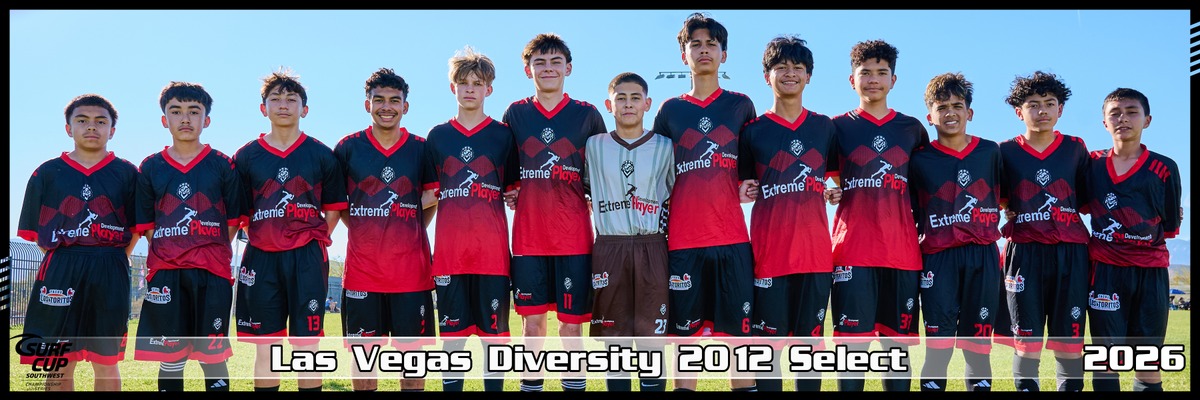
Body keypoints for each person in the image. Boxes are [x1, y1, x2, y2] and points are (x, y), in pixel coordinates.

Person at [651, 12, 758, 392]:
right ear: (684, 55)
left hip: (733, 240)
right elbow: (656, 174)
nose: (703, 50)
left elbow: (753, 169)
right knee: (685, 343)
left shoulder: (740, 106)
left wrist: (747, 186)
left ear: (723, 54)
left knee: (739, 342)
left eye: (711, 44)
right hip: (684, 242)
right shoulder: (670, 111)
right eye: (695, 44)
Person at [500, 33, 607, 393]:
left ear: (568, 68)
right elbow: (506, 170)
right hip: (529, 237)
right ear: (527, 70)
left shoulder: (587, 115)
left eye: (555, 62)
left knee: (571, 326)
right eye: (540, 63)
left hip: (574, 237)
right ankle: (531, 385)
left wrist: (593, 196)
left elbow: (601, 171)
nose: (548, 69)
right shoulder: (515, 114)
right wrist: (512, 190)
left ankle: (573, 385)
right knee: (532, 327)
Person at [232, 68, 347, 392]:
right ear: (263, 108)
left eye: (291, 99)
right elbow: (239, 212)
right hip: (261, 257)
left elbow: (334, 208)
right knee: (266, 346)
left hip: (307, 257)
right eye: (276, 98)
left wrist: (312, 236)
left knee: (307, 346)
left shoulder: (321, 154)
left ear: (304, 109)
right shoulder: (246, 156)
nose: (283, 104)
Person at [17, 94, 139, 391]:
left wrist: (112, 256)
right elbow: (36, 232)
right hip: (61, 267)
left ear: (112, 130)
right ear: (68, 128)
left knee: (106, 361)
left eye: (100, 121)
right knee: (58, 360)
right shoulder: (47, 173)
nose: (91, 127)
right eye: (82, 120)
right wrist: (66, 256)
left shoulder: (127, 173)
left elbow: (136, 228)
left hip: (110, 266)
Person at [736, 35, 837, 392]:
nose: (790, 73)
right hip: (769, 256)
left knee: (809, 353)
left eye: (797, 67)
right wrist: (744, 190)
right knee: (768, 352)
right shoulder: (753, 131)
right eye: (781, 67)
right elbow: (741, 185)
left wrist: (835, 190)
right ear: (767, 76)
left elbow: (841, 178)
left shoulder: (825, 127)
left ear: (809, 76)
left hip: (815, 257)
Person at [826, 39, 928, 392]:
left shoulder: (912, 129)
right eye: (865, 72)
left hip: (902, 254)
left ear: (893, 80)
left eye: (881, 72)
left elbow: (927, 185)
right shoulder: (836, 128)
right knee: (852, 352)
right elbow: (821, 177)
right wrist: (832, 190)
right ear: (851, 80)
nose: (873, 79)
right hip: (853, 251)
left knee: (895, 354)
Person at [333, 67, 438, 392]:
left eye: (394, 100)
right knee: (364, 360)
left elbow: (431, 199)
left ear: (405, 106)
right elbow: (339, 204)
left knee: (413, 361)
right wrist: (367, 228)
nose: (386, 106)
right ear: (368, 104)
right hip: (363, 274)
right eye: (379, 100)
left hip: (411, 276)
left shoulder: (421, 149)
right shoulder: (347, 148)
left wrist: (406, 228)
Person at [132, 82, 240, 392]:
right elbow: (147, 225)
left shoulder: (222, 164)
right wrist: (172, 251)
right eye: (176, 111)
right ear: (164, 119)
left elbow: (232, 221)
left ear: (207, 120)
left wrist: (209, 247)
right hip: (167, 272)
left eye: (194, 112)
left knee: (213, 355)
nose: (185, 119)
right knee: (171, 356)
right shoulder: (150, 167)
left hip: (212, 272)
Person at [425, 46, 516, 392]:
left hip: (492, 257)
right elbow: (427, 196)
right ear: (453, 87)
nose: (470, 89)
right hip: (450, 256)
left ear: (488, 89)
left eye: (477, 83)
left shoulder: (503, 135)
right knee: (453, 342)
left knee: (495, 342)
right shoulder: (437, 137)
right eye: (463, 82)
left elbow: (515, 190)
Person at [993, 70, 1090, 392]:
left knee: (1069, 339)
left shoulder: (1075, 148)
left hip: (1070, 251)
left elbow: (1091, 197)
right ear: (1019, 112)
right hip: (1025, 252)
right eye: (1033, 104)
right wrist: (1007, 209)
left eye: (1049, 103)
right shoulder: (1004, 151)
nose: (1042, 111)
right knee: (1026, 340)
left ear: (1060, 109)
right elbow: (994, 196)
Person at [908, 73, 1002, 392]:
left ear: (969, 113)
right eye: (942, 107)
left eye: (957, 106)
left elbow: (1008, 196)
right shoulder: (919, 159)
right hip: (938, 257)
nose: (950, 113)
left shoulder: (990, 152)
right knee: (939, 345)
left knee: (978, 346)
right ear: (930, 116)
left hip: (982, 255)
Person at [1083, 88, 1182, 392]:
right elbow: (1077, 205)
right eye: (1115, 113)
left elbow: (1169, 226)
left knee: (1148, 362)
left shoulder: (1164, 168)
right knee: (1106, 360)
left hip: (1150, 271)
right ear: (1104, 122)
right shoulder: (1091, 164)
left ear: (1147, 120)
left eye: (1131, 112)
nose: (1123, 118)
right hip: (1105, 271)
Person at [583, 72, 673, 392]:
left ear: (647, 104)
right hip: (611, 246)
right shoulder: (594, 146)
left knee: (652, 344)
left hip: (652, 246)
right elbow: (582, 187)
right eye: (620, 98)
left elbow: (674, 193)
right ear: (609, 105)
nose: (628, 104)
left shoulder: (665, 146)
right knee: (615, 345)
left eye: (635, 98)